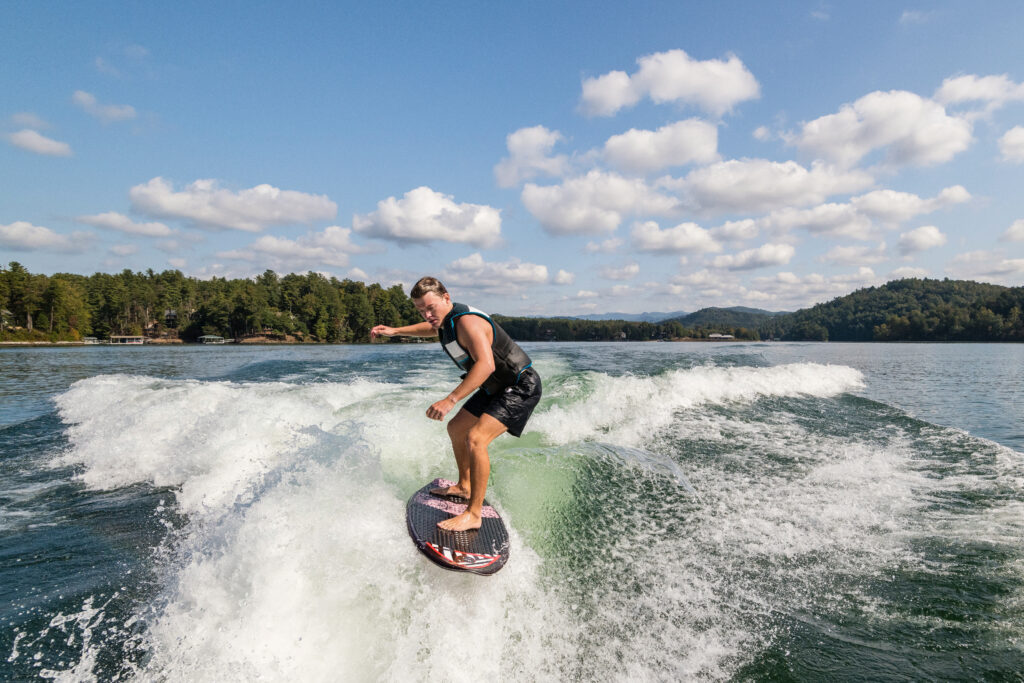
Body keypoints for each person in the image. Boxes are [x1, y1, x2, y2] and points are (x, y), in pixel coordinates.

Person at [370, 277, 541, 532]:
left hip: (519, 386)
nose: (427, 315)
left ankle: (474, 514)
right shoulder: (445, 322)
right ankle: (464, 486)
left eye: (431, 308)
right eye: (421, 310)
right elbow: (432, 329)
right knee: (457, 428)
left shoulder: (468, 323)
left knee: (476, 439)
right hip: (495, 386)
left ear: (446, 298)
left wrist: (450, 400)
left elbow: (486, 365)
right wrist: (395, 331)